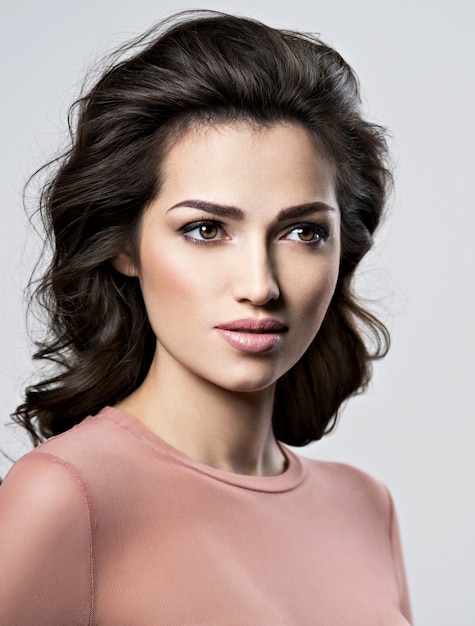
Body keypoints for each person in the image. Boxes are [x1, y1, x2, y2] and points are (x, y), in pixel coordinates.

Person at [0, 10, 412, 625]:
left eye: (302, 232)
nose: (261, 285)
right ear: (124, 245)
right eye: (206, 229)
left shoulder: (366, 508)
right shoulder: (67, 498)